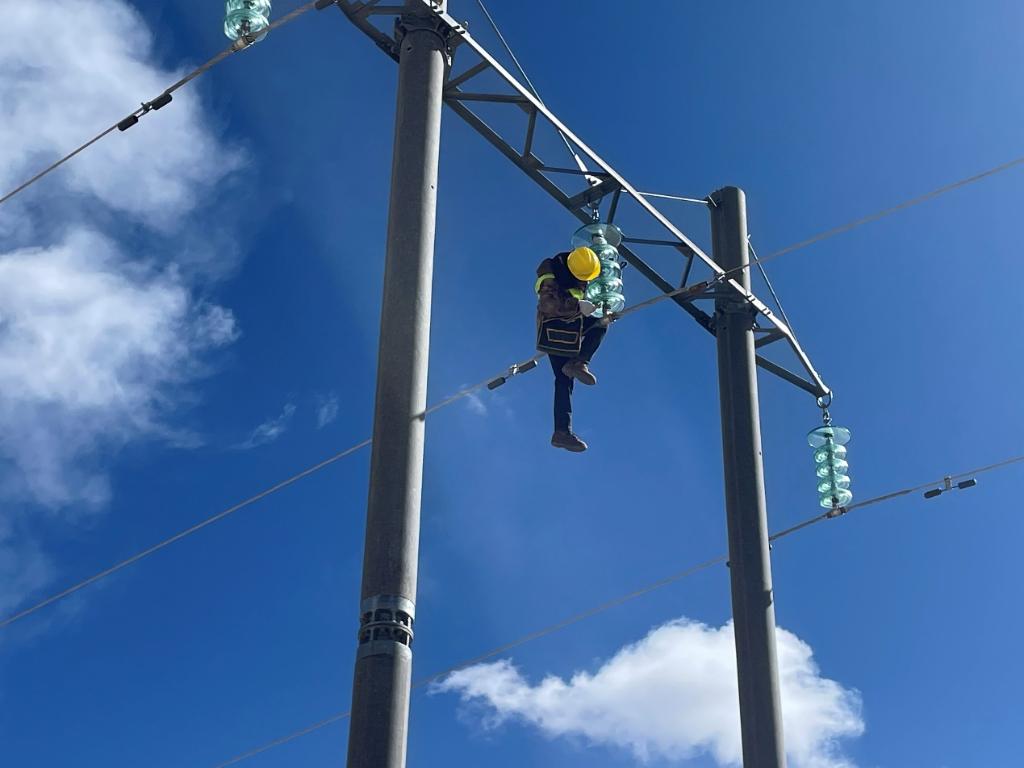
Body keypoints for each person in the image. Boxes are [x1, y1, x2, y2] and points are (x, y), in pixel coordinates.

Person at [535, 246, 612, 452]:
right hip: (554, 331)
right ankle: (562, 432)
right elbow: (549, 305)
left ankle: (578, 363)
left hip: (571, 326)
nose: (584, 282)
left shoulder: (579, 266)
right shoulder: (550, 276)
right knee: (563, 380)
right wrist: (578, 307)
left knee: (601, 325)